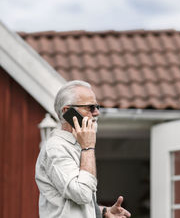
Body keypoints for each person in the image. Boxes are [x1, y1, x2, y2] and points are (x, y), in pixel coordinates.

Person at [35, 80, 131, 218]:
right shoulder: (56, 148)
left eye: (97, 107)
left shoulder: (75, 146)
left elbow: (72, 206)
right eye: (90, 107)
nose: (97, 112)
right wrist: (88, 147)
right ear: (67, 111)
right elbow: (82, 193)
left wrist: (103, 212)